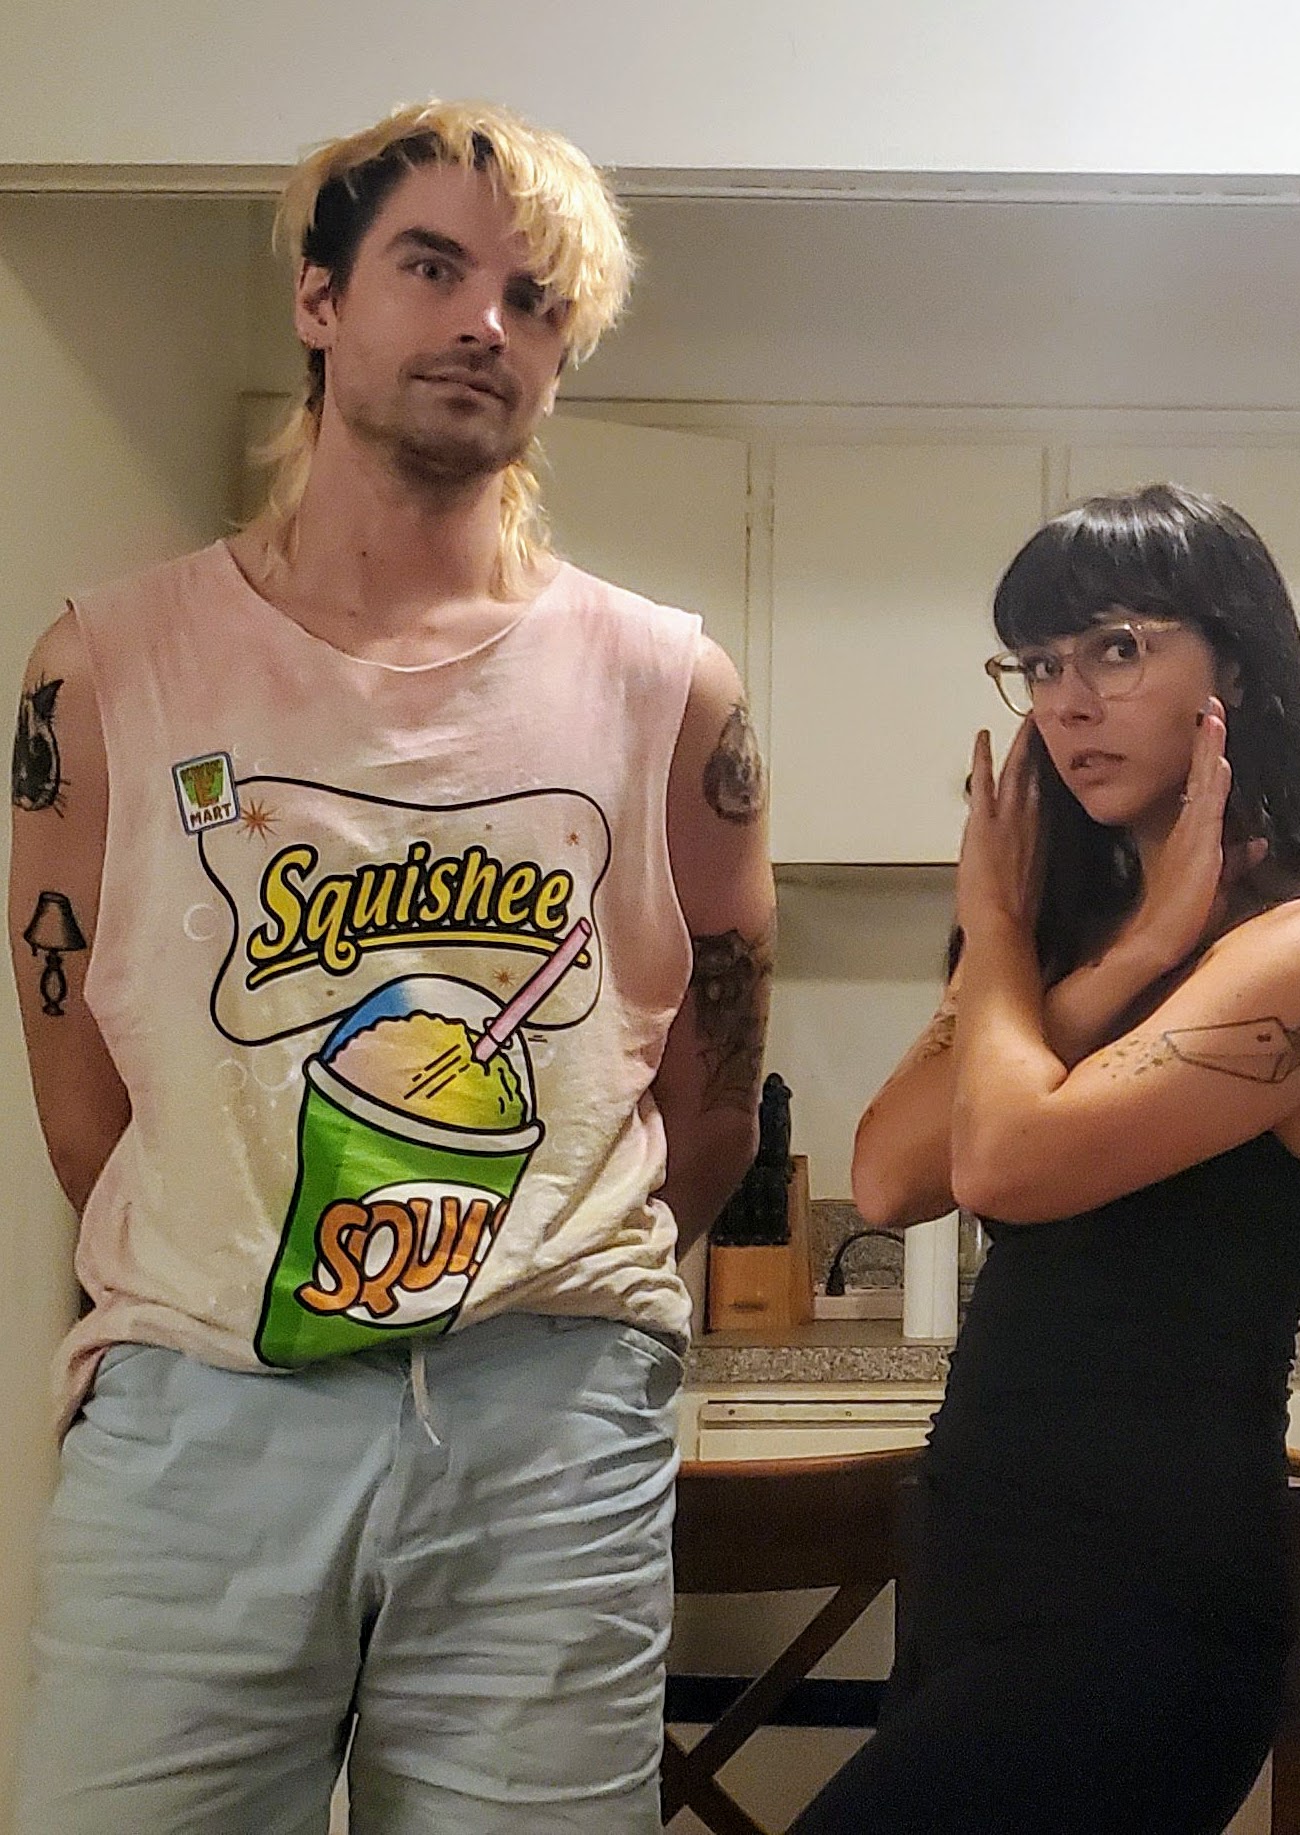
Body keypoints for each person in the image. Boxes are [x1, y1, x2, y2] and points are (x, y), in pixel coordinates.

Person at [9, 101, 775, 1832]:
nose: (484, 323)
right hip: (197, 1416)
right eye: (431, 267)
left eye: (535, 299)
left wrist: (543, 1298)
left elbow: (712, 1100)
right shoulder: (104, 671)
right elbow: (84, 1110)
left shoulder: (669, 689)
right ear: (319, 296)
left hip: (547, 1425)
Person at [794, 484, 1300, 1835]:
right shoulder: (1074, 940)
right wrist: (1120, 955)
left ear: (1234, 668)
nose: (1068, 704)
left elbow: (1003, 1167)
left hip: (1142, 1602)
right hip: (978, 1562)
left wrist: (996, 934)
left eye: (1118, 649)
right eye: (1040, 664)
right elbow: (894, 1176)